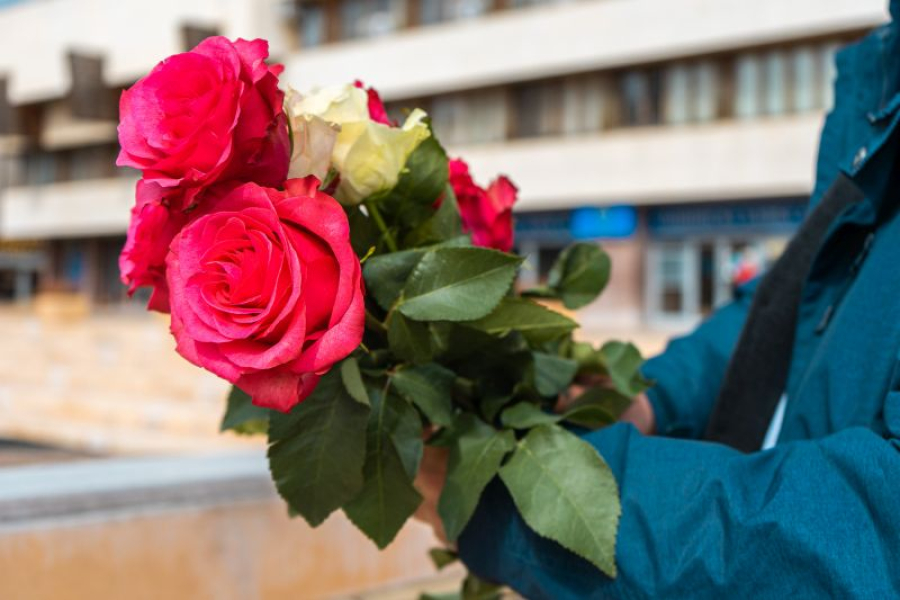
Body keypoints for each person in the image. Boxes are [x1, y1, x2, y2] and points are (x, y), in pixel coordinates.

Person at [414, 2, 900, 597]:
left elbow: (877, 532)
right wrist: (648, 399)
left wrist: (520, 513)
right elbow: (800, 306)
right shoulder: (886, 71)